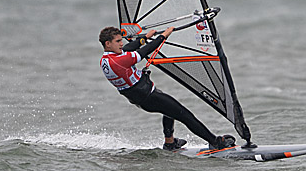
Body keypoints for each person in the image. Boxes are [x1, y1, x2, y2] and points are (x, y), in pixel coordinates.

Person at [98, 25, 236, 150]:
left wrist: (144, 38)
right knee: (185, 115)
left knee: (169, 109)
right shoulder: (120, 61)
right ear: (108, 44)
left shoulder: (106, 60)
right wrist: (163, 36)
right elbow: (144, 51)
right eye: (118, 42)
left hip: (141, 97)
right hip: (148, 97)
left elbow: (128, 48)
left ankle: (170, 143)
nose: (121, 44)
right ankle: (215, 142)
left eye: (121, 40)